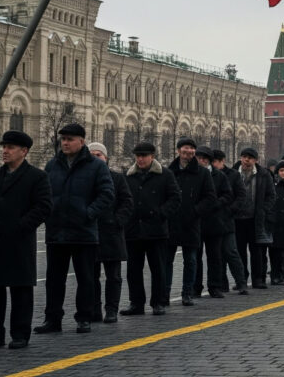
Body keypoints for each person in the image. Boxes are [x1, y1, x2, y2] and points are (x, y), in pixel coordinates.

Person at [35, 122, 114, 335]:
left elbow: (107, 194)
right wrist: (49, 216)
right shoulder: (53, 165)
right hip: (57, 232)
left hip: (83, 232)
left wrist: (88, 214)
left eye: (70, 139)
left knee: (85, 278)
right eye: (63, 139)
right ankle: (52, 319)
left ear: (82, 141)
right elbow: (44, 193)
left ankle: (84, 318)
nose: (65, 143)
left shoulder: (96, 166)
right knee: (54, 280)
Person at [0, 130, 52, 349]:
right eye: (4, 147)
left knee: (21, 290)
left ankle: (20, 334)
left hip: (19, 241)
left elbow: (43, 206)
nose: (4, 151)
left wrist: (21, 226)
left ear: (23, 151)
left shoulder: (37, 176)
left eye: (10, 147)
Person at [122, 142, 180, 316]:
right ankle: (136, 303)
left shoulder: (165, 174)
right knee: (133, 270)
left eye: (144, 156)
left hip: (156, 230)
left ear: (152, 156)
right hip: (133, 230)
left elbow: (175, 198)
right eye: (138, 156)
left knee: (158, 268)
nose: (140, 159)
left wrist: (161, 214)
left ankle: (158, 302)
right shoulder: (128, 175)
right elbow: (123, 199)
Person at [166, 137, 215, 306]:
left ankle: (188, 292)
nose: (188, 152)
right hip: (171, 222)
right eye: (185, 149)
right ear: (178, 150)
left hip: (192, 222)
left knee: (191, 260)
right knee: (166, 261)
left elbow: (210, 198)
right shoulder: (169, 171)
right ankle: (164, 293)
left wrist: (195, 211)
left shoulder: (203, 173)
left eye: (191, 149)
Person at [87, 142, 133, 324]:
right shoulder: (85, 179)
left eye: (99, 154)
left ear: (106, 158)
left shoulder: (117, 178)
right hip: (90, 233)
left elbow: (127, 202)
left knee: (113, 276)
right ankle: (94, 310)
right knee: (91, 276)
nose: (95, 157)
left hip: (112, 233)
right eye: (92, 154)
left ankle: (111, 310)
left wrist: (117, 221)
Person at [234, 147, 275, 289]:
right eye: (244, 157)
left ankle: (257, 279)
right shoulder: (233, 173)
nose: (247, 160)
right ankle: (242, 280)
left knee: (256, 251)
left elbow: (271, 195)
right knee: (239, 252)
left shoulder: (264, 175)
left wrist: (263, 210)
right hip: (237, 219)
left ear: (256, 160)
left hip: (255, 219)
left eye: (250, 157)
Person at [193, 146, 232, 299]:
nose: (201, 161)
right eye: (199, 158)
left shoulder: (220, 176)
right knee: (195, 256)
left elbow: (228, 195)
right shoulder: (192, 174)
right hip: (196, 221)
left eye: (205, 158)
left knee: (214, 256)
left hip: (215, 221)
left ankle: (215, 286)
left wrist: (216, 204)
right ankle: (195, 287)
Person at [210, 149, 249, 294]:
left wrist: (230, 210)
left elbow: (241, 196)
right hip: (212, 221)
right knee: (216, 254)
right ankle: (221, 284)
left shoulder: (233, 175)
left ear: (222, 161)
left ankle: (241, 282)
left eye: (215, 162)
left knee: (231, 252)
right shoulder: (208, 175)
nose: (213, 165)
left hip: (227, 219)